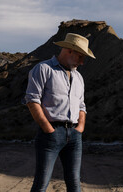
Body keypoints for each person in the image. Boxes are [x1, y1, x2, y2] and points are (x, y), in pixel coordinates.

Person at [25, 33, 95, 192]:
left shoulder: (79, 77)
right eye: (80, 56)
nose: (82, 62)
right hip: (51, 133)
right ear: (69, 50)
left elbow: (82, 105)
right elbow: (32, 100)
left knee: (75, 184)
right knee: (41, 183)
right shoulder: (43, 69)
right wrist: (47, 129)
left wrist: (80, 128)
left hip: (75, 136)